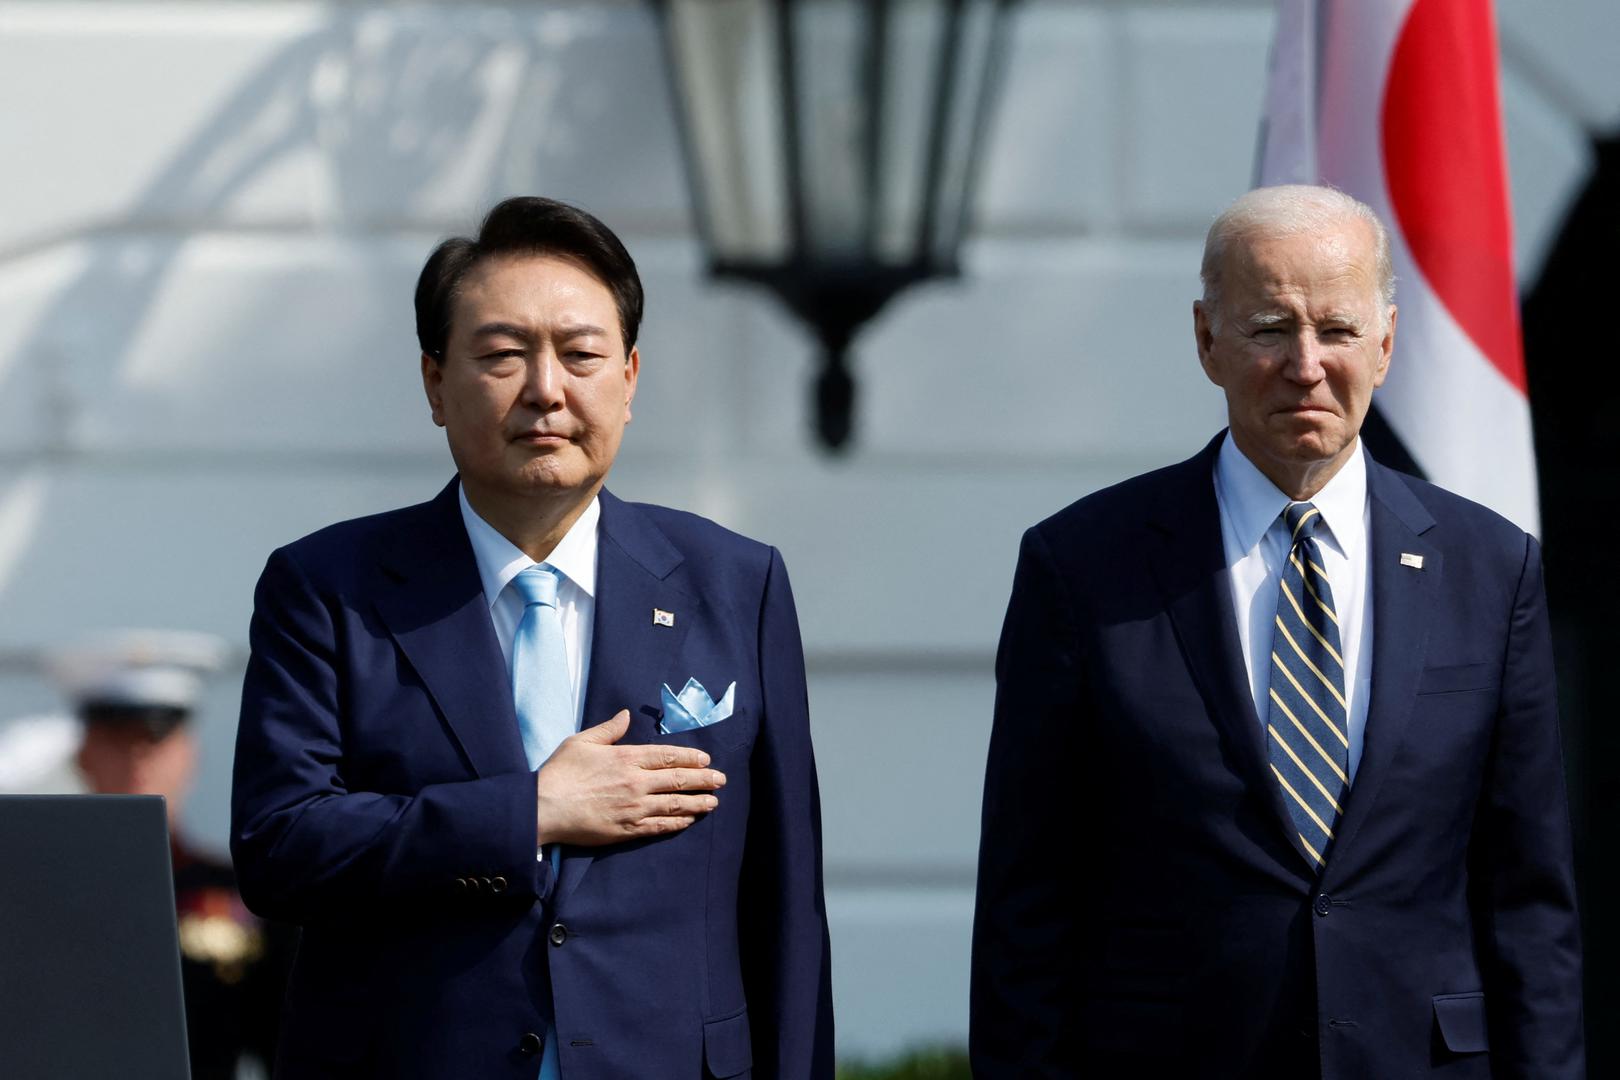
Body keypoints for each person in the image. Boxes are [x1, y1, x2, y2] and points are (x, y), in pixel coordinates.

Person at [969, 185, 1584, 1078]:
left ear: (1386, 341)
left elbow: (1531, 907)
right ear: (1206, 340)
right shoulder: (1082, 568)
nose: (1306, 364)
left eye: (1336, 329)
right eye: (1269, 328)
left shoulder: (1490, 569)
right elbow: (1027, 900)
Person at [231, 196, 833, 1079]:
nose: (545, 389)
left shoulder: (735, 585)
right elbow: (281, 848)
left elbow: (786, 902)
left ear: (628, 379)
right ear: (436, 383)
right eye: (503, 355)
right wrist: (532, 811)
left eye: (581, 354)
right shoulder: (329, 587)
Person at [0, 630, 294, 1080]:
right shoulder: (31, 895)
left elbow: (285, 1046)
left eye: (155, 738)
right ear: (84, 755)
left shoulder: (250, 893)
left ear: (187, 755)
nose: (138, 757)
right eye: (118, 737)